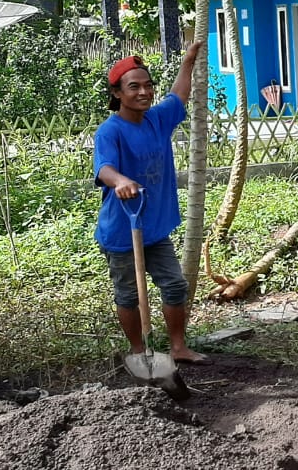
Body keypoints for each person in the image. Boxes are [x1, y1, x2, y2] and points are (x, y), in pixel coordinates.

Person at [94, 42, 209, 365]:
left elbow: (178, 96)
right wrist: (120, 181)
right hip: (122, 232)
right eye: (134, 87)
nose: (144, 92)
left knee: (174, 285)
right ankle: (137, 352)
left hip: (154, 229)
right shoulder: (110, 131)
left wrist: (187, 61)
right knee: (128, 295)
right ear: (117, 93)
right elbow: (103, 168)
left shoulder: (157, 120)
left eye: (147, 85)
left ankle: (177, 347)